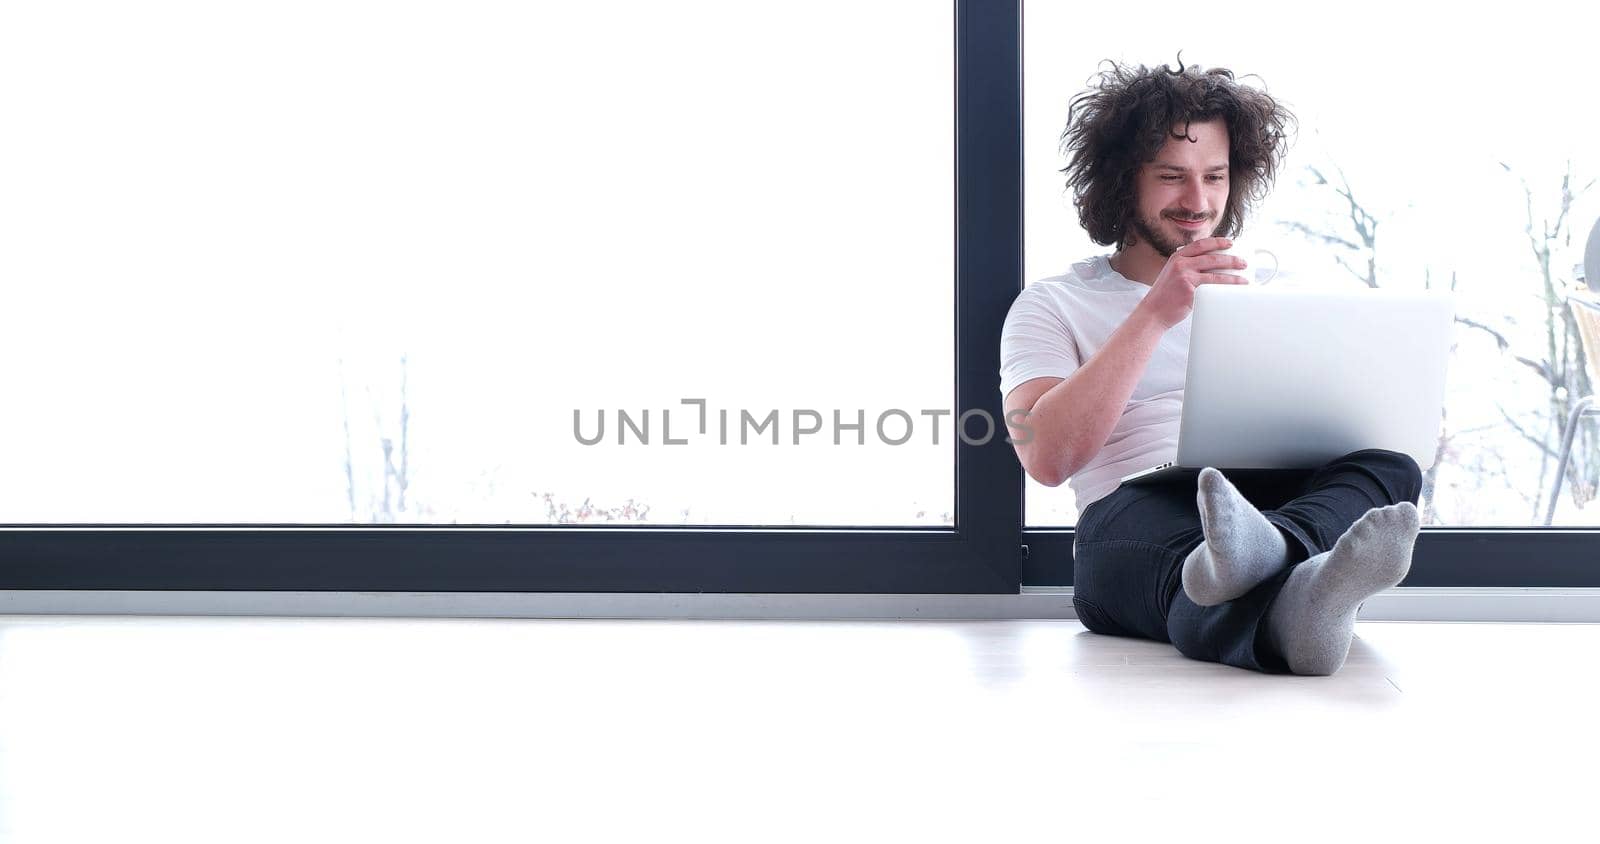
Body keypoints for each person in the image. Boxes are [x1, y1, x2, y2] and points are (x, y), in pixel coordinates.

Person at [999, 58, 1423, 676]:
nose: (1198, 201)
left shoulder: (1274, 299)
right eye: (1172, 176)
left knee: (1390, 469)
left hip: (1271, 502)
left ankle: (1280, 566)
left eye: (1215, 177)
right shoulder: (1053, 303)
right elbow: (1046, 457)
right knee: (1185, 561)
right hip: (1137, 510)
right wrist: (1154, 315)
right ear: (1124, 181)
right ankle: (1297, 589)